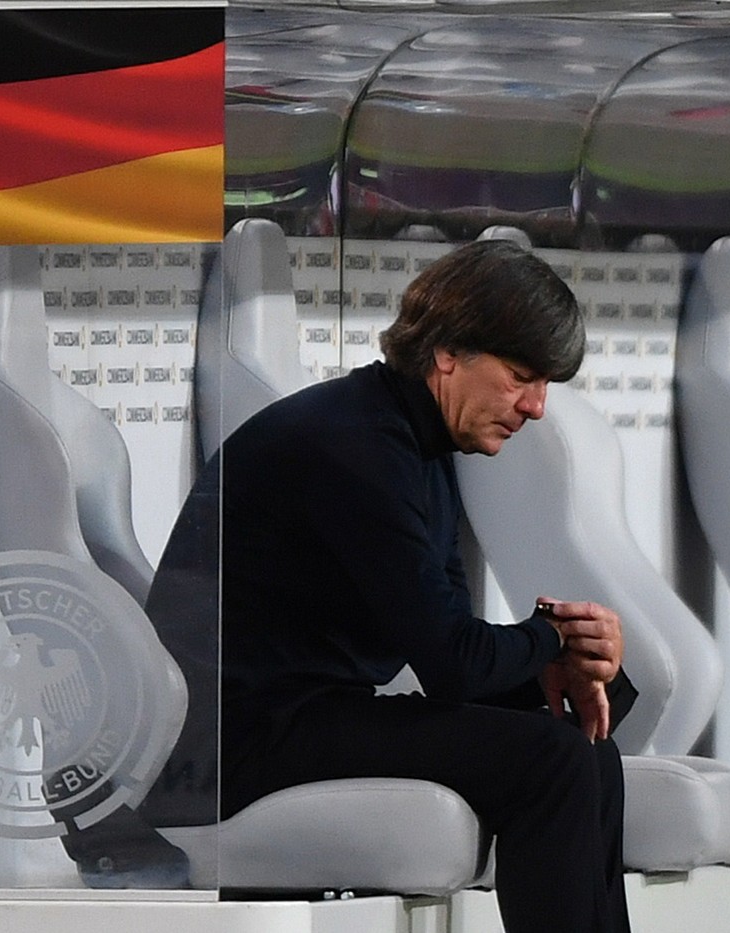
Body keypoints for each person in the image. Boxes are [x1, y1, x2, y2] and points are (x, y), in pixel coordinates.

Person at [139, 238, 636, 929]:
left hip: (305, 714)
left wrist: (579, 662)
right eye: (523, 374)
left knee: (586, 743)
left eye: (547, 384)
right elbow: (453, 662)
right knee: (549, 760)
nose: (537, 407)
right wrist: (550, 639)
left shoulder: (417, 444)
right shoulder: (357, 447)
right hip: (232, 747)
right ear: (447, 352)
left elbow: (448, 647)